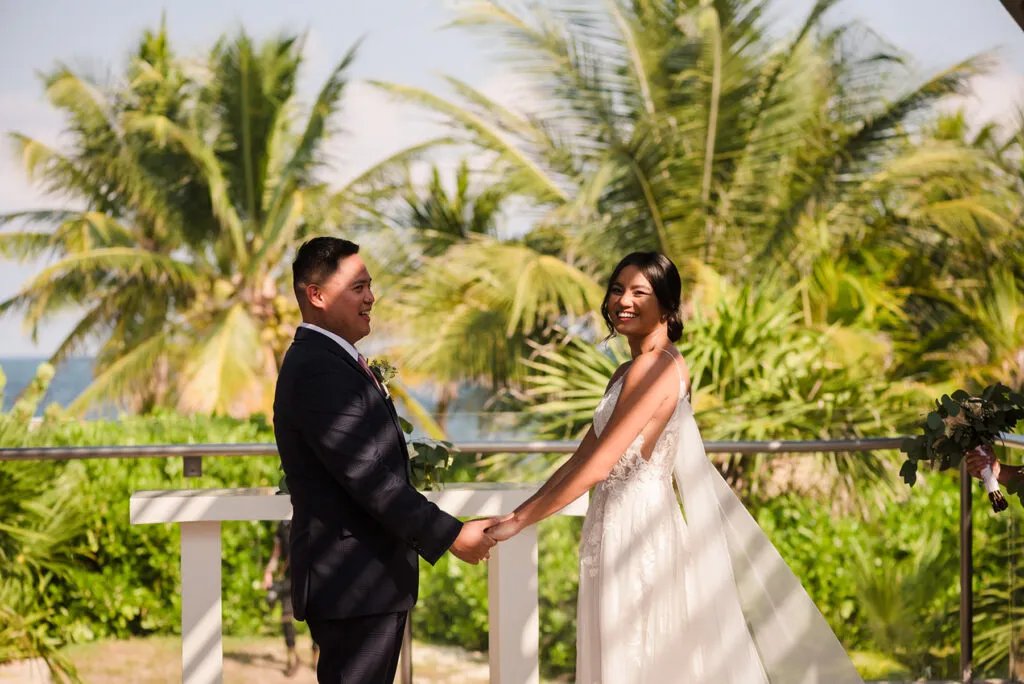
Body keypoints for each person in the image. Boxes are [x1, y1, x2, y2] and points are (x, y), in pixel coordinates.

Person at [485, 251, 864, 683]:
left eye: (639, 292)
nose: (623, 300)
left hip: (635, 530)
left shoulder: (654, 366)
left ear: (666, 304)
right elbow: (580, 458)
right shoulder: (629, 370)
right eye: (617, 289)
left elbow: (599, 467)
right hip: (618, 523)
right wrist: (518, 512)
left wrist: (519, 522)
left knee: (634, 655)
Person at [273, 236, 500, 684]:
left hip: (368, 582)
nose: (371, 298)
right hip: (352, 585)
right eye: (357, 287)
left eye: (369, 286)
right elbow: (367, 475)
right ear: (316, 295)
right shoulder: (318, 368)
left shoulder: (333, 359)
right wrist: (452, 535)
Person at [261, 520, 319, 677]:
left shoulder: (311, 517)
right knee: (286, 617)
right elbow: (276, 554)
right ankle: (292, 658)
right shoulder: (282, 525)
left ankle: (316, 655)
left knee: (316, 616)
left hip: (312, 575)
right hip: (290, 579)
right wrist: (268, 572)